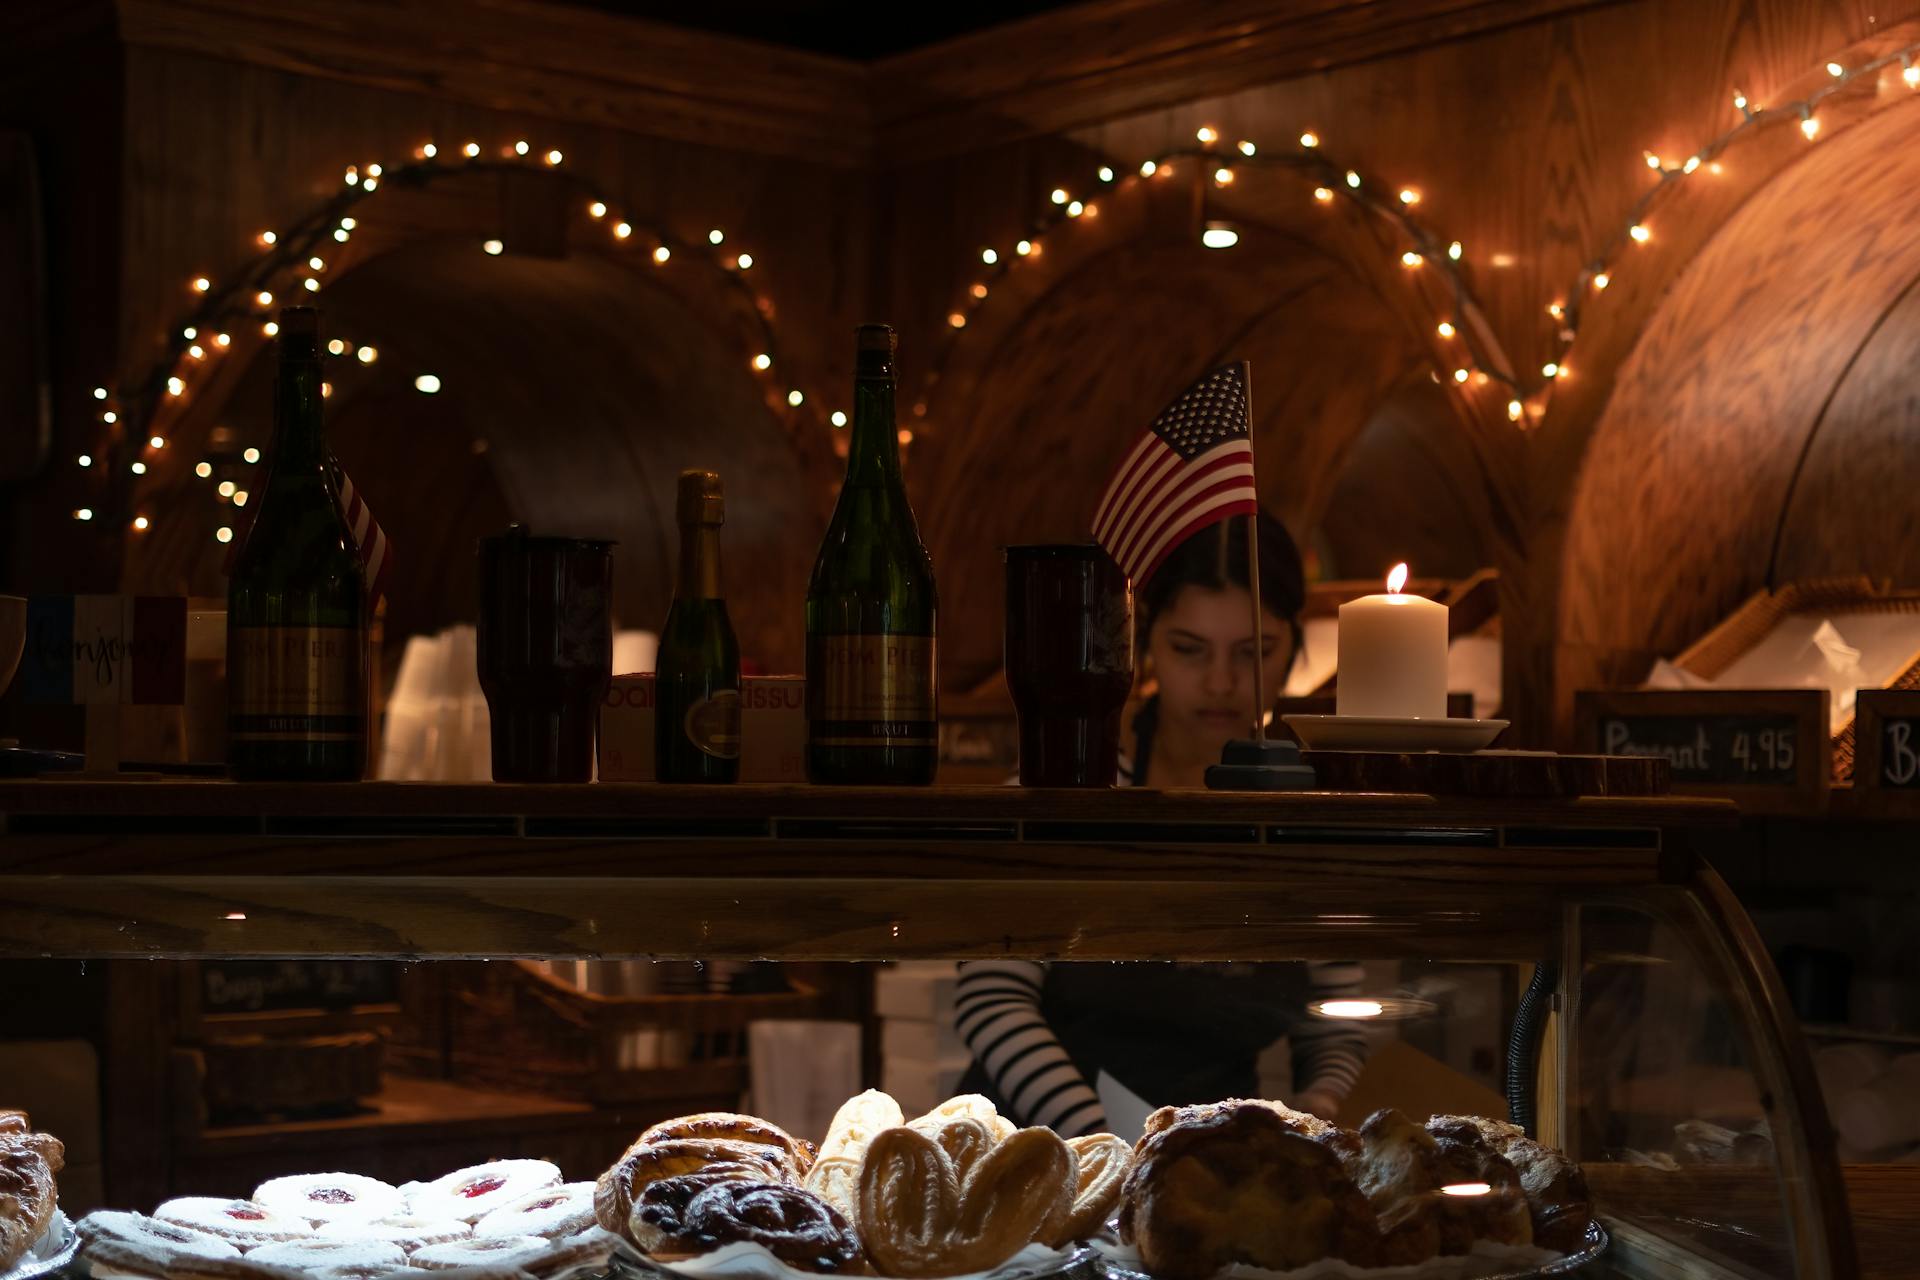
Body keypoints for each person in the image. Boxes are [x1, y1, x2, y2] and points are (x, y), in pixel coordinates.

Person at [954, 514, 1368, 1135]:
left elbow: (1332, 1021)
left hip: (1207, 1170)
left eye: (1255, 652)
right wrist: (1107, 1150)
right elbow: (992, 1002)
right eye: (1189, 649)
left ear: (1294, 647)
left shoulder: (1298, 821)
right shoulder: (1068, 798)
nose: (1222, 683)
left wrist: (1320, 1106)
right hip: (1037, 1156)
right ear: (1143, 642)